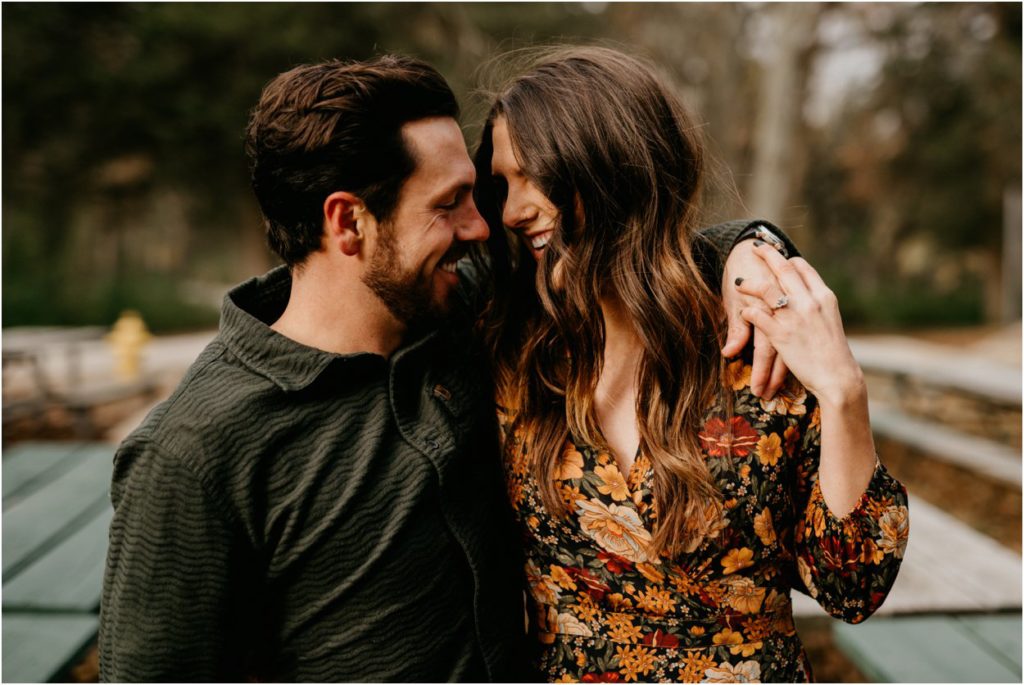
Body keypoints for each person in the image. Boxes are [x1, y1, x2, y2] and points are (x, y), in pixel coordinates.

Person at [98, 55, 793, 681]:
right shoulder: (194, 452)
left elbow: (629, 246)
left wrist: (746, 251)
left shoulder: (470, 311)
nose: (482, 228)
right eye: (449, 204)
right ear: (347, 223)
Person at [474, 47, 909, 683]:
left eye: (531, 175)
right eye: (501, 185)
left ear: (612, 165)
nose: (512, 211)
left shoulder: (753, 348)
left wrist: (843, 391)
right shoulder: (512, 359)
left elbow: (852, 587)